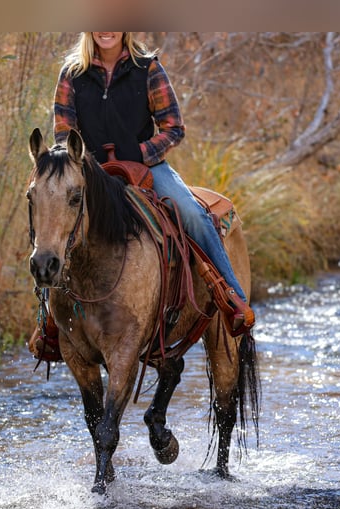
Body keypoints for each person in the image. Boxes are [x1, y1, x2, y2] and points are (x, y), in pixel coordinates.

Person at [52, 32, 254, 333]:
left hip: (146, 168)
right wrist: (84, 165)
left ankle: (231, 298)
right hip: (90, 174)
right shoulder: (72, 73)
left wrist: (139, 153)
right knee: (49, 219)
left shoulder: (147, 69)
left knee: (191, 213)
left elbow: (173, 128)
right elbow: (62, 132)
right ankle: (49, 326)